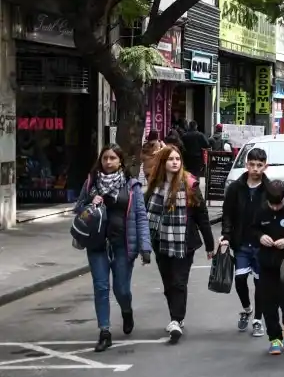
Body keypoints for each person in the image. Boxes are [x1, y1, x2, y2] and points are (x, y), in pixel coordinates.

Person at [73, 144, 152, 353]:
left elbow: (141, 218)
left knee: (121, 289)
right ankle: (104, 332)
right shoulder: (91, 183)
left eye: (112, 158)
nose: (108, 162)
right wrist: (90, 201)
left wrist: (145, 248)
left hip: (123, 245)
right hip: (97, 244)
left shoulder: (132, 186)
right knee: (101, 287)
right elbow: (78, 208)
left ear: (120, 162)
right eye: (105, 158)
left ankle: (127, 310)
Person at [144, 145, 215, 343]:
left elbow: (202, 216)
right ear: (163, 162)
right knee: (168, 283)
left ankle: (176, 320)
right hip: (161, 241)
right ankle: (175, 316)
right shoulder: (154, 185)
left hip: (185, 242)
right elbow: (144, 215)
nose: (175, 162)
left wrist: (210, 245)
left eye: (177, 159)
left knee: (178, 281)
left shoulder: (190, 184)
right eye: (170, 159)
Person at [250, 180, 284, 355]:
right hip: (266, 263)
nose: (274, 208)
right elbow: (252, 230)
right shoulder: (261, 210)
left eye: (278, 204)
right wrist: (260, 237)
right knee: (268, 302)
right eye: (271, 205)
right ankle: (274, 337)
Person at [219, 147, 269, 337]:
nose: (255, 168)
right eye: (252, 164)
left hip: (261, 244)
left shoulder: (268, 189)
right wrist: (226, 235)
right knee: (240, 279)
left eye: (259, 165)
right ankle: (247, 309)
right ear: (246, 164)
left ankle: (257, 319)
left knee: (260, 283)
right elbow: (228, 214)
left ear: (265, 166)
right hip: (241, 243)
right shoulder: (235, 188)